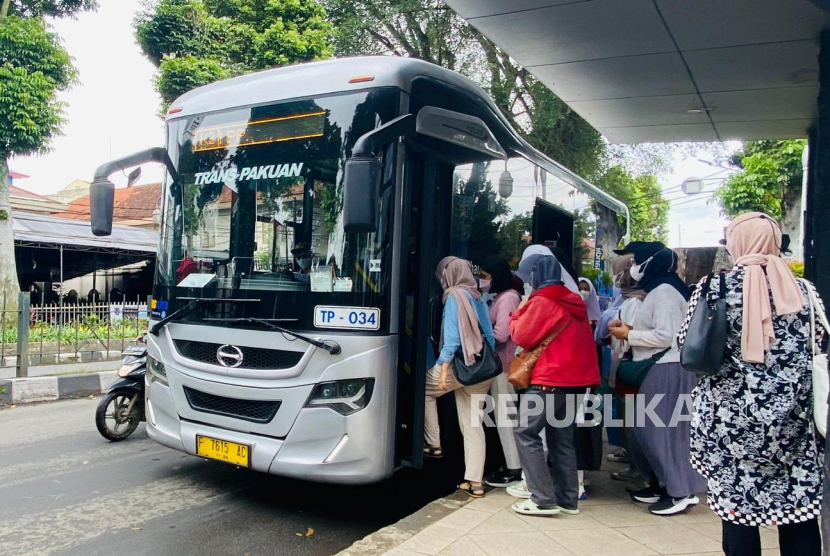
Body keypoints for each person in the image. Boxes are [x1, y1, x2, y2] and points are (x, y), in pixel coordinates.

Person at [679, 213, 824, 556]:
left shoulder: (714, 288)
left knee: (737, 512)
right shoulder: (805, 292)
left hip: (730, 425)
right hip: (795, 425)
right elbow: (819, 343)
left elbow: (691, 348)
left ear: (736, 244)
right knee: (797, 513)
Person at [609, 242, 705, 515]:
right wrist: (631, 330)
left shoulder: (664, 292)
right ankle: (660, 484)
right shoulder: (660, 289)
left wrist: (629, 334)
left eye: (637, 262)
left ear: (650, 263)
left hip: (668, 367)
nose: (633, 268)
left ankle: (679, 491)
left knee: (660, 433)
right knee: (645, 433)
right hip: (661, 367)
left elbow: (667, 335)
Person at [508, 250, 600, 516]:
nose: (526, 283)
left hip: (549, 380)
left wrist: (519, 310)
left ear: (535, 276)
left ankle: (542, 498)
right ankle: (568, 500)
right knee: (562, 440)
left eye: (528, 277)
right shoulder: (573, 300)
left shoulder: (543, 302)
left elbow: (521, 336)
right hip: (577, 382)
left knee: (525, 432)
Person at [423, 256, 496, 498]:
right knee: (473, 424)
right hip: (482, 370)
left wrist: (443, 366)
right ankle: (475, 482)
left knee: (422, 391)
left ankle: (433, 443)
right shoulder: (477, 297)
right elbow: (490, 337)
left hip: (460, 366)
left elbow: (453, 338)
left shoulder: (454, 296)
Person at [479, 256, 523, 488]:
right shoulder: (501, 297)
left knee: (506, 417)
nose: (482, 281)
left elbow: (501, 334)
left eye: (485, 276)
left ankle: (514, 468)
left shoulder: (508, 299)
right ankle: (510, 462)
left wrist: (477, 338)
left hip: (504, 366)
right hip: (500, 365)